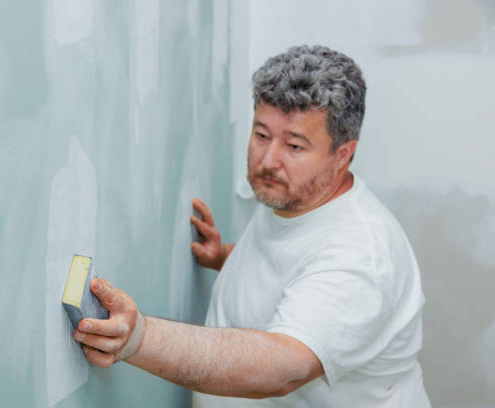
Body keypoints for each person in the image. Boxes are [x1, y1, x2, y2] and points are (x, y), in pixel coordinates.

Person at [73, 45, 431, 407]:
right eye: (261, 135)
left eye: (294, 145)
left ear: (343, 154)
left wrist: (138, 338)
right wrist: (226, 256)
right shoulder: (296, 196)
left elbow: (281, 369)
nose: (269, 160)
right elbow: (294, 274)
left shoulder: (360, 256)